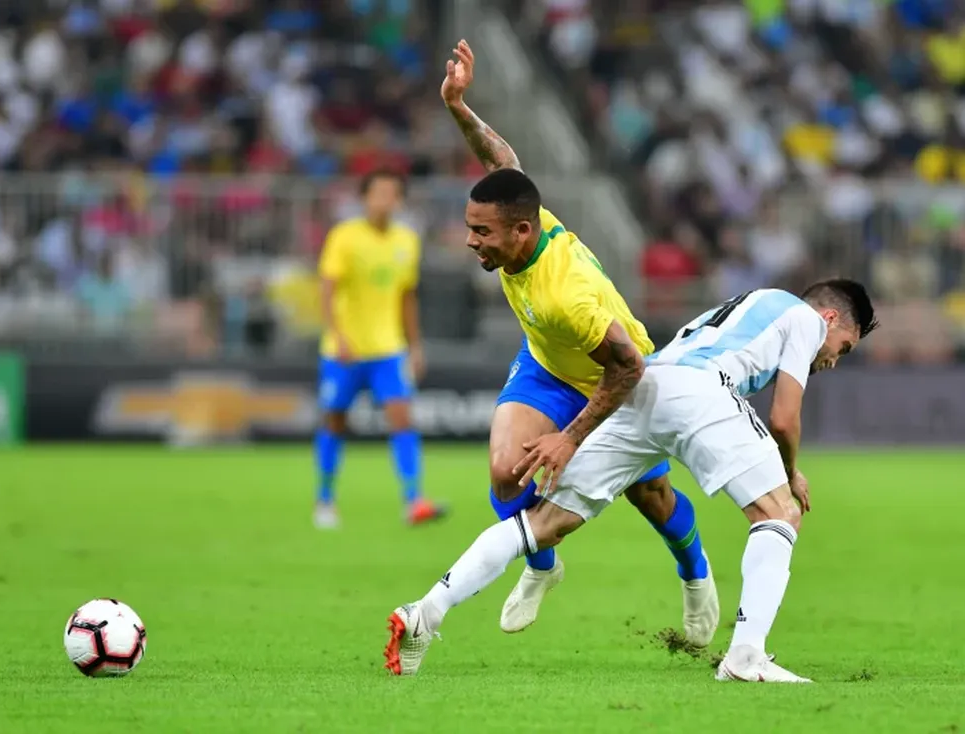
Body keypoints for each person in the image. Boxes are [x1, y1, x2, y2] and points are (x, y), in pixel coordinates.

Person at [384, 281, 878, 682]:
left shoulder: (756, 301)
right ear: (831, 319)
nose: (833, 357)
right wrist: (790, 474)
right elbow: (785, 420)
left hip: (648, 385)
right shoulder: (806, 319)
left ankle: (426, 611)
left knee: (543, 523)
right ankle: (747, 655)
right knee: (779, 513)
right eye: (844, 347)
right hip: (701, 391)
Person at [434, 39, 718, 642]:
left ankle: (696, 575)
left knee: (656, 500)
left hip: (623, 378)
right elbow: (503, 160)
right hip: (546, 363)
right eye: (469, 228)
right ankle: (543, 566)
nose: (470, 242)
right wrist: (460, 107)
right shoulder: (525, 225)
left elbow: (628, 366)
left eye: (481, 232)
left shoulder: (567, 293)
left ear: (521, 231)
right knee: (508, 473)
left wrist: (569, 439)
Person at [314, 169, 445, 528]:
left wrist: (415, 346)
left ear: (400, 200)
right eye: (378, 193)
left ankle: (413, 500)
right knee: (335, 420)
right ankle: (325, 499)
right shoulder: (345, 237)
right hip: (345, 351)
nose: (385, 200)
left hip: (389, 350)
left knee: (402, 418)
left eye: (392, 194)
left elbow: (407, 297)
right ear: (364, 198)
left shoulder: (406, 240)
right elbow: (326, 287)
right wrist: (336, 335)